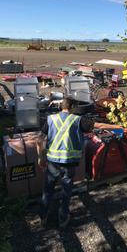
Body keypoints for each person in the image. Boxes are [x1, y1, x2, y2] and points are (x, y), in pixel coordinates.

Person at [37, 97, 94, 228]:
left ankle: (43, 217)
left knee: (48, 190)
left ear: (62, 106)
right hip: (68, 163)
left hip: (52, 162)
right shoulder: (77, 120)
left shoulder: (51, 119)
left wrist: (41, 157)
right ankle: (63, 218)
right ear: (72, 107)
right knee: (66, 191)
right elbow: (95, 126)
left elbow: (39, 140)